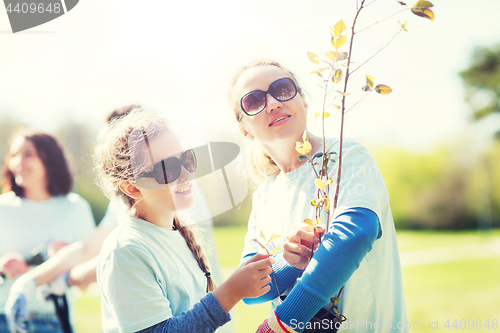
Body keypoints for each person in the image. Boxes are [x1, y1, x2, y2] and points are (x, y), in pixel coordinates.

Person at [228, 59, 407, 333]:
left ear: (303, 100)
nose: (274, 103)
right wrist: (287, 262)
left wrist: (284, 322)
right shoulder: (264, 197)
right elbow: (250, 289)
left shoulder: (346, 156)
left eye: (282, 89)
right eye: (253, 101)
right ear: (244, 129)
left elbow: (354, 234)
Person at [94, 108, 274, 332]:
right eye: (167, 169)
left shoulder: (177, 231)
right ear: (132, 188)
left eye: (186, 159)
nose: (186, 173)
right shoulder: (125, 250)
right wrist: (231, 291)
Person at [0, 130, 95, 333]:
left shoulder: (76, 208)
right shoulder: (1, 208)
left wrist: (69, 258)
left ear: (50, 160)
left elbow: (91, 275)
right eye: (14, 155)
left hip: (54, 323)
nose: (19, 162)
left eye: (28, 154)